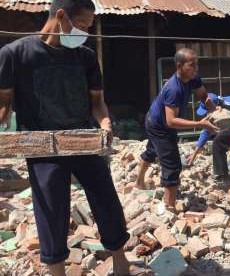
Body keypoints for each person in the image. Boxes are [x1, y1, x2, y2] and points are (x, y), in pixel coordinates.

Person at [0, 0, 130, 274]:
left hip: (83, 139)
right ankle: (57, 270)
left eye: (88, 27)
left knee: (106, 199)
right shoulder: (15, 55)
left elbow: (97, 102)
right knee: (51, 208)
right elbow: (4, 103)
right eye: (82, 25)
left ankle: (120, 262)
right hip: (41, 145)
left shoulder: (84, 56)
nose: (85, 32)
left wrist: (105, 122)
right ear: (61, 16)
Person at [135, 48, 218, 210]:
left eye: (197, 64)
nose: (196, 68)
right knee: (172, 165)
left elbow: (203, 95)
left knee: (152, 151)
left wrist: (214, 108)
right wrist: (200, 124)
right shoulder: (173, 88)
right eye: (192, 65)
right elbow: (171, 121)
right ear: (179, 66)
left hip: (158, 121)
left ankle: (139, 183)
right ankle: (169, 208)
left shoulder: (193, 78)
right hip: (158, 125)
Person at [186, 92, 230, 181]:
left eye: (207, 110)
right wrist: (194, 153)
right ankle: (222, 175)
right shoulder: (215, 110)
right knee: (218, 141)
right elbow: (207, 130)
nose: (207, 113)